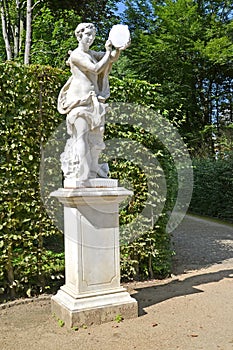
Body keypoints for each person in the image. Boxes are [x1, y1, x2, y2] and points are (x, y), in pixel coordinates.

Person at [58, 23, 123, 181]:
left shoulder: (92, 53)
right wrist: (108, 51)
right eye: (87, 34)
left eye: (93, 35)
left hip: (93, 103)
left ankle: (92, 170)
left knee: (96, 140)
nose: (91, 38)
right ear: (79, 35)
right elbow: (95, 69)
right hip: (79, 102)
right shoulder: (76, 55)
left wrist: (119, 47)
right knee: (81, 137)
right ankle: (83, 174)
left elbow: (111, 58)